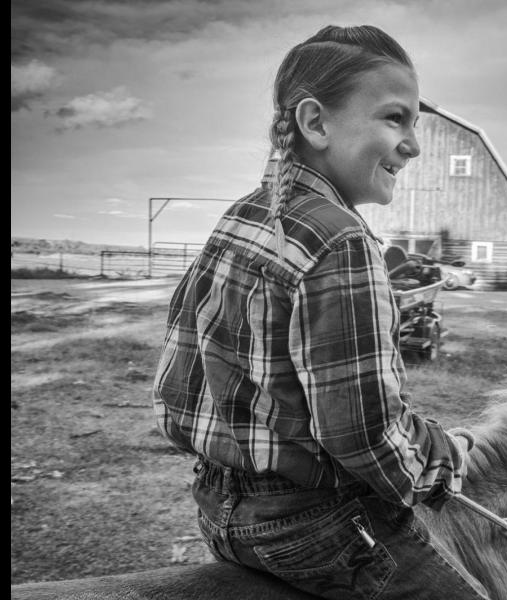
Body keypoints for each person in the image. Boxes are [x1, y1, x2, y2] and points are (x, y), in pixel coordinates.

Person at [152, 24, 489, 600]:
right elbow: (362, 435)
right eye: (394, 118)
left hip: (218, 510)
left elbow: (177, 387)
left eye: (414, 123)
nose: (413, 145)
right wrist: (442, 456)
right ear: (315, 123)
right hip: (311, 525)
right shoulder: (341, 241)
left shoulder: (243, 216)